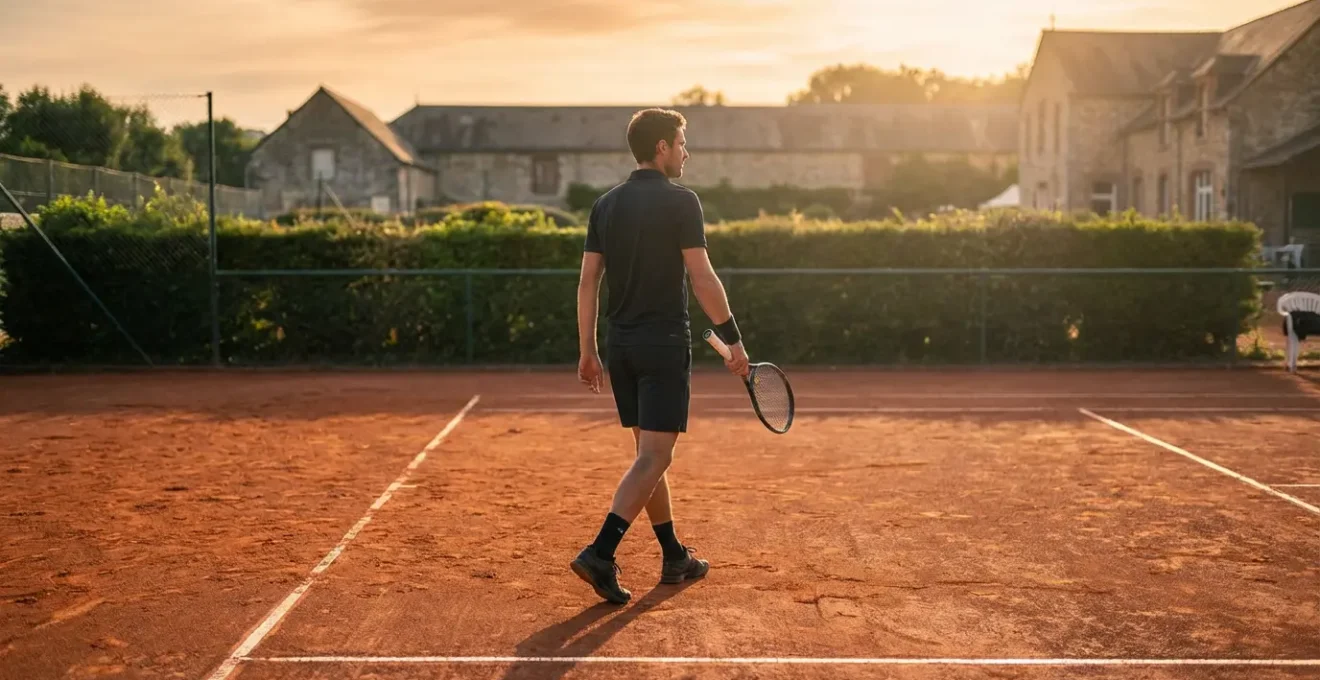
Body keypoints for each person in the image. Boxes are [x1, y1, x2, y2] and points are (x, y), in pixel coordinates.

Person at [571, 108, 750, 604]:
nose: (686, 152)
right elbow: (702, 276)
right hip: (663, 345)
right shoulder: (681, 202)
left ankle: (674, 556)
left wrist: (587, 351)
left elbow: (588, 281)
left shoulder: (605, 205)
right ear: (660, 149)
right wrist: (733, 340)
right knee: (654, 456)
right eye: (681, 142)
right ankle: (600, 553)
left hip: (620, 347)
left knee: (649, 457)